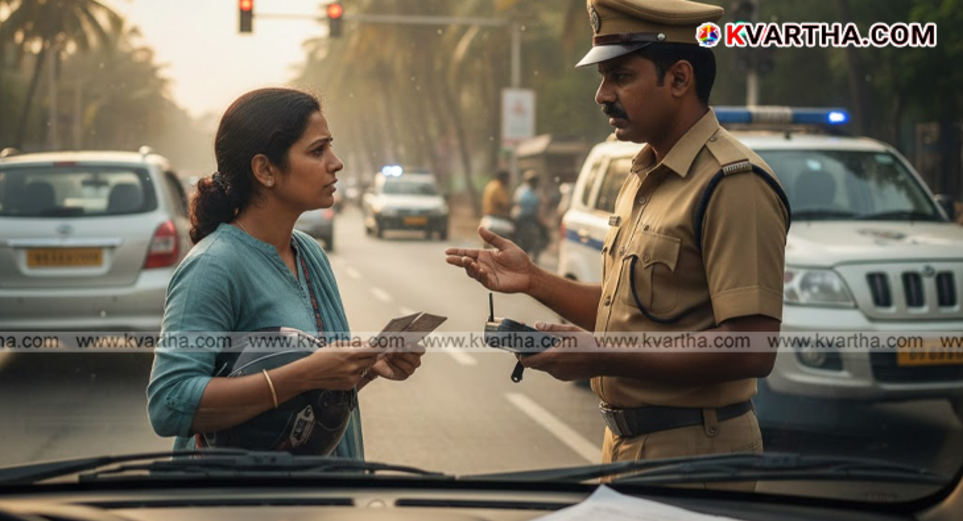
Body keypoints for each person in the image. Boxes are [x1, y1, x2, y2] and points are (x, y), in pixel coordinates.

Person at [446, 0, 790, 471]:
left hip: (696, 455)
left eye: (621, 76)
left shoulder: (732, 183)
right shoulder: (644, 173)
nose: (602, 95)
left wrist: (602, 355)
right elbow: (627, 313)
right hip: (627, 445)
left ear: (679, 79)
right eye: (603, 78)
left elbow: (752, 349)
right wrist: (533, 280)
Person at [147, 88, 424, 458]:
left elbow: (297, 409)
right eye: (317, 151)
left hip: (323, 488)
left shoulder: (309, 253)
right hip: (247, 492)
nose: (336, 163)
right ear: (265, 170)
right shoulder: (213, 265)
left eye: (330, 148)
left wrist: (365, 367)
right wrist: (309, 373)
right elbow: (169, 403)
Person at [511, 170, 548, 261]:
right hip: (522, 218)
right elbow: (518, 203)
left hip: (532, 218)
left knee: (542, 235)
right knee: (521, 238)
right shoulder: (523, 191)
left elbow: (541, 205)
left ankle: (533, 256)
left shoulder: (536, 191)